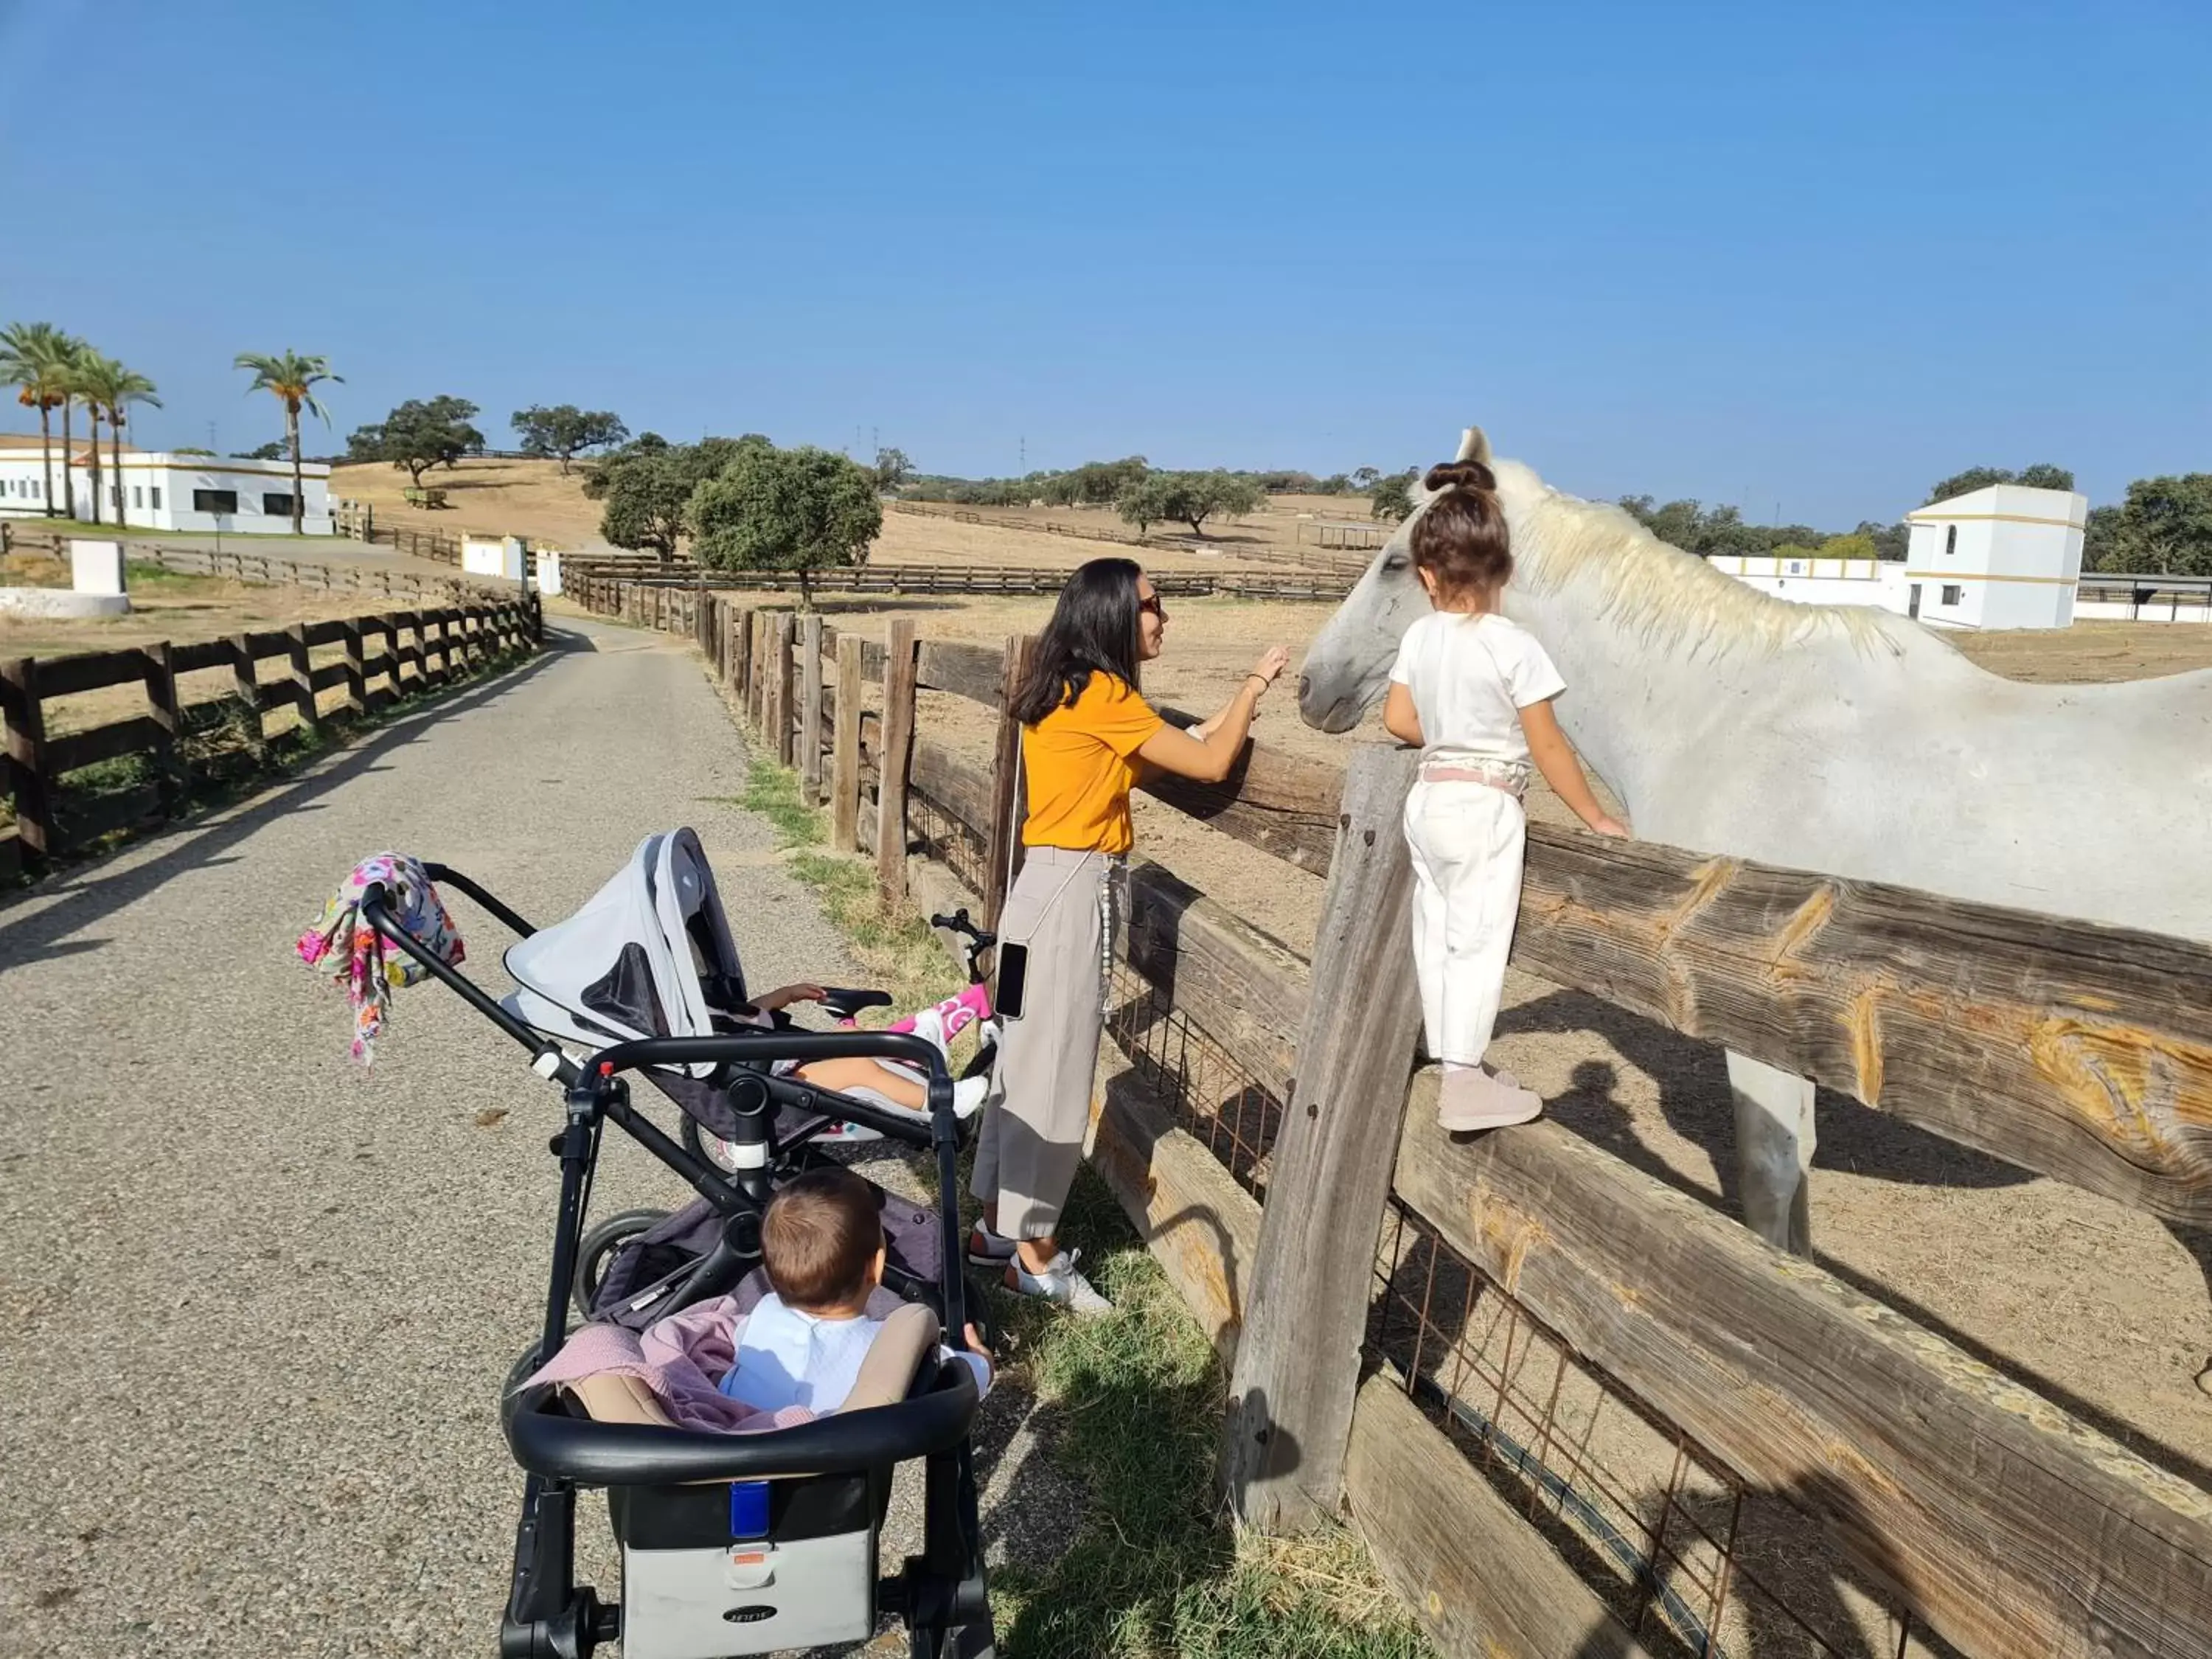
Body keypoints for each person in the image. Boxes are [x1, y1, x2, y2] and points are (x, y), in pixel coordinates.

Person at [966, 557, 1292, 1311]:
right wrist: (1255, 683)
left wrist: (1224, 716)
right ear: (1113, 615)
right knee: (1052, 1076)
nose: (1162, 617)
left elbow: (1172, 747)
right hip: (1070, 899)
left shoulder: (1069, 691)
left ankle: (995, 1231)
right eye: (1151, 605)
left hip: (1033, 902)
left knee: (1020, 1058)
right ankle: (1034, 1261)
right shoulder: (1104, 692)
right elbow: (1210, 763)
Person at [1382, 459, 1627, 1133]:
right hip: (1485, 806)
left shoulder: (1419, 636)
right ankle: (1464, 1080)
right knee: (1479, 937)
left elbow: (1398, 722)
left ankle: (1452, 1058)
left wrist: (1452, 729)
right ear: (1507, 571)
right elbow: (1549, 746)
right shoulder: (1513, 646)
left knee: (1435, 932)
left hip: (1429, 801)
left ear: (1427, 576)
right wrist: (1597, 815)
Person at [720, 1166, 992, 1413]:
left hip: (740, 1453)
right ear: (878, 1267)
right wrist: (982, 1361)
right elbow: (965, 1382)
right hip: (831, 1461)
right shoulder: (888, 1346)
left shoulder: (762, 1313)